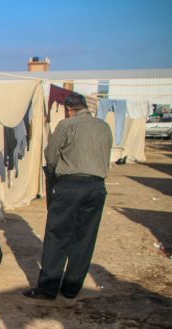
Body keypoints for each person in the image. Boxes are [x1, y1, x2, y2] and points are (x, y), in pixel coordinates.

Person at [24, 92, 112, 300]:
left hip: (71, 185)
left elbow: (51, 155)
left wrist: (55, 176)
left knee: (58, 235)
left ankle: (48, 287)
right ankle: (72, 287)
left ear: (68, 109)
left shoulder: (66, 125)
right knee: (85, 237)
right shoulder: (104, 126)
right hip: (97, 186)